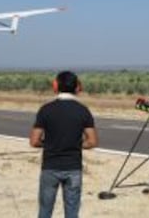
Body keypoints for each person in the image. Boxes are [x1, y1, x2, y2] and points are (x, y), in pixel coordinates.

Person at [30, 71, 98, 218]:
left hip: (50, 168)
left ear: (55, 86)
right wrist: (75, 145)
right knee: (72, 211)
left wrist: (48, 144)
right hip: (73, 168)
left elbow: (34, 141)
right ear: (77, 88)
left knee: (45, 210)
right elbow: (92, 141)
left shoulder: (45, 109)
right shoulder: (83, 110)